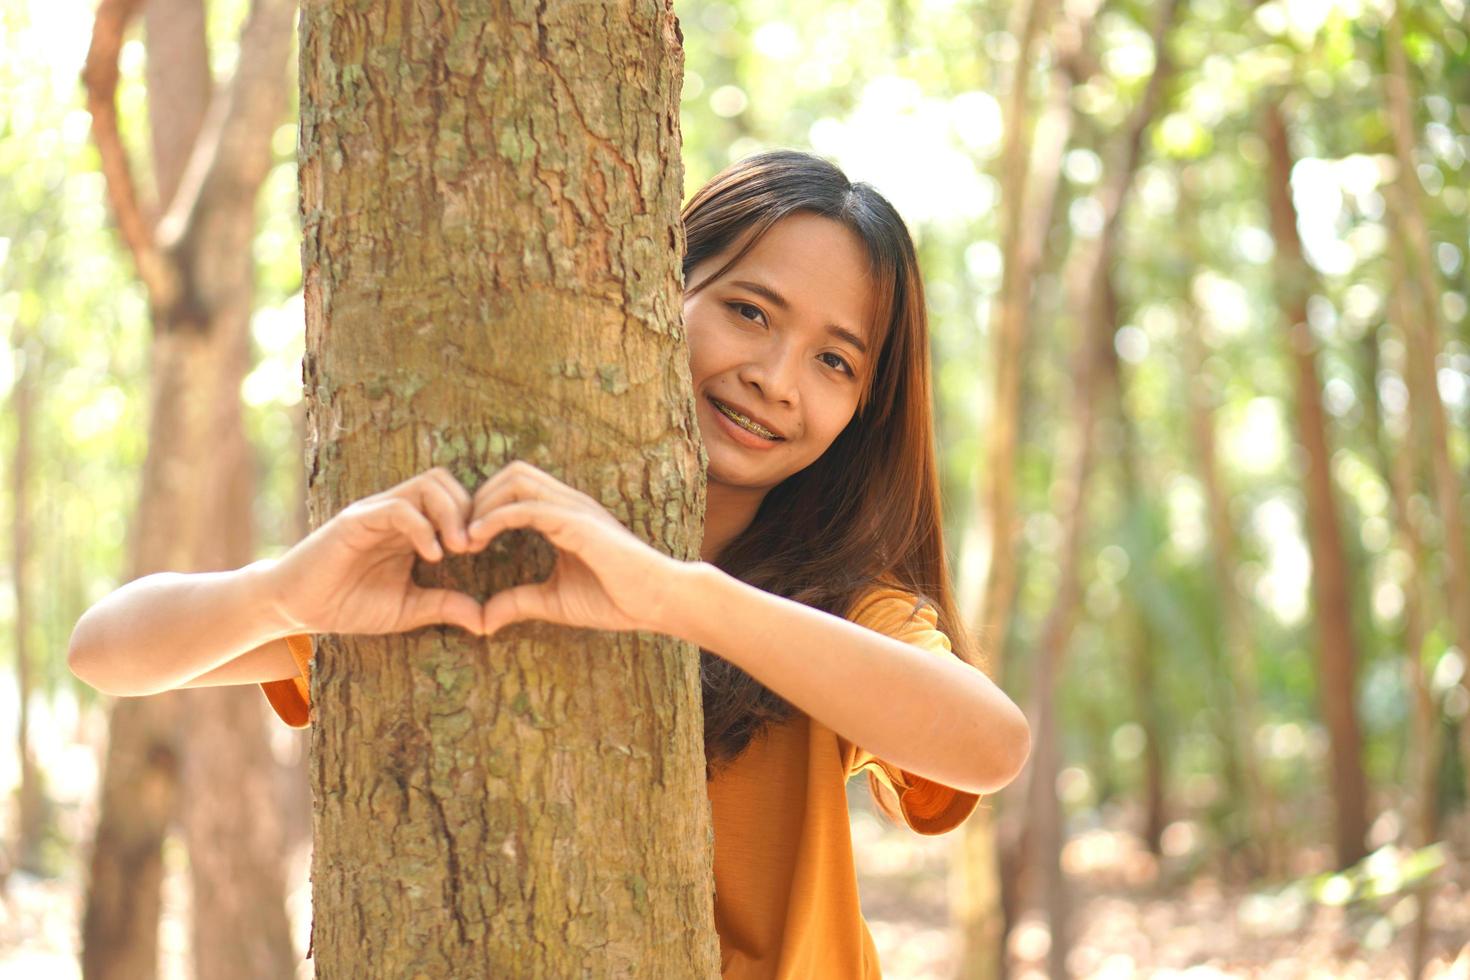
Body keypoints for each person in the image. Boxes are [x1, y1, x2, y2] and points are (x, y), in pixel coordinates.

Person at [68, 149, 1031, 977]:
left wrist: (680, 599)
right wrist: (283, 593)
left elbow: (990, 746)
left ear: (865, 406)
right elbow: (106, 652)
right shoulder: (521, 552)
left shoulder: (838, 603)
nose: (775, 380)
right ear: (654, 290)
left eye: (836, 362)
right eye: (748, 311)